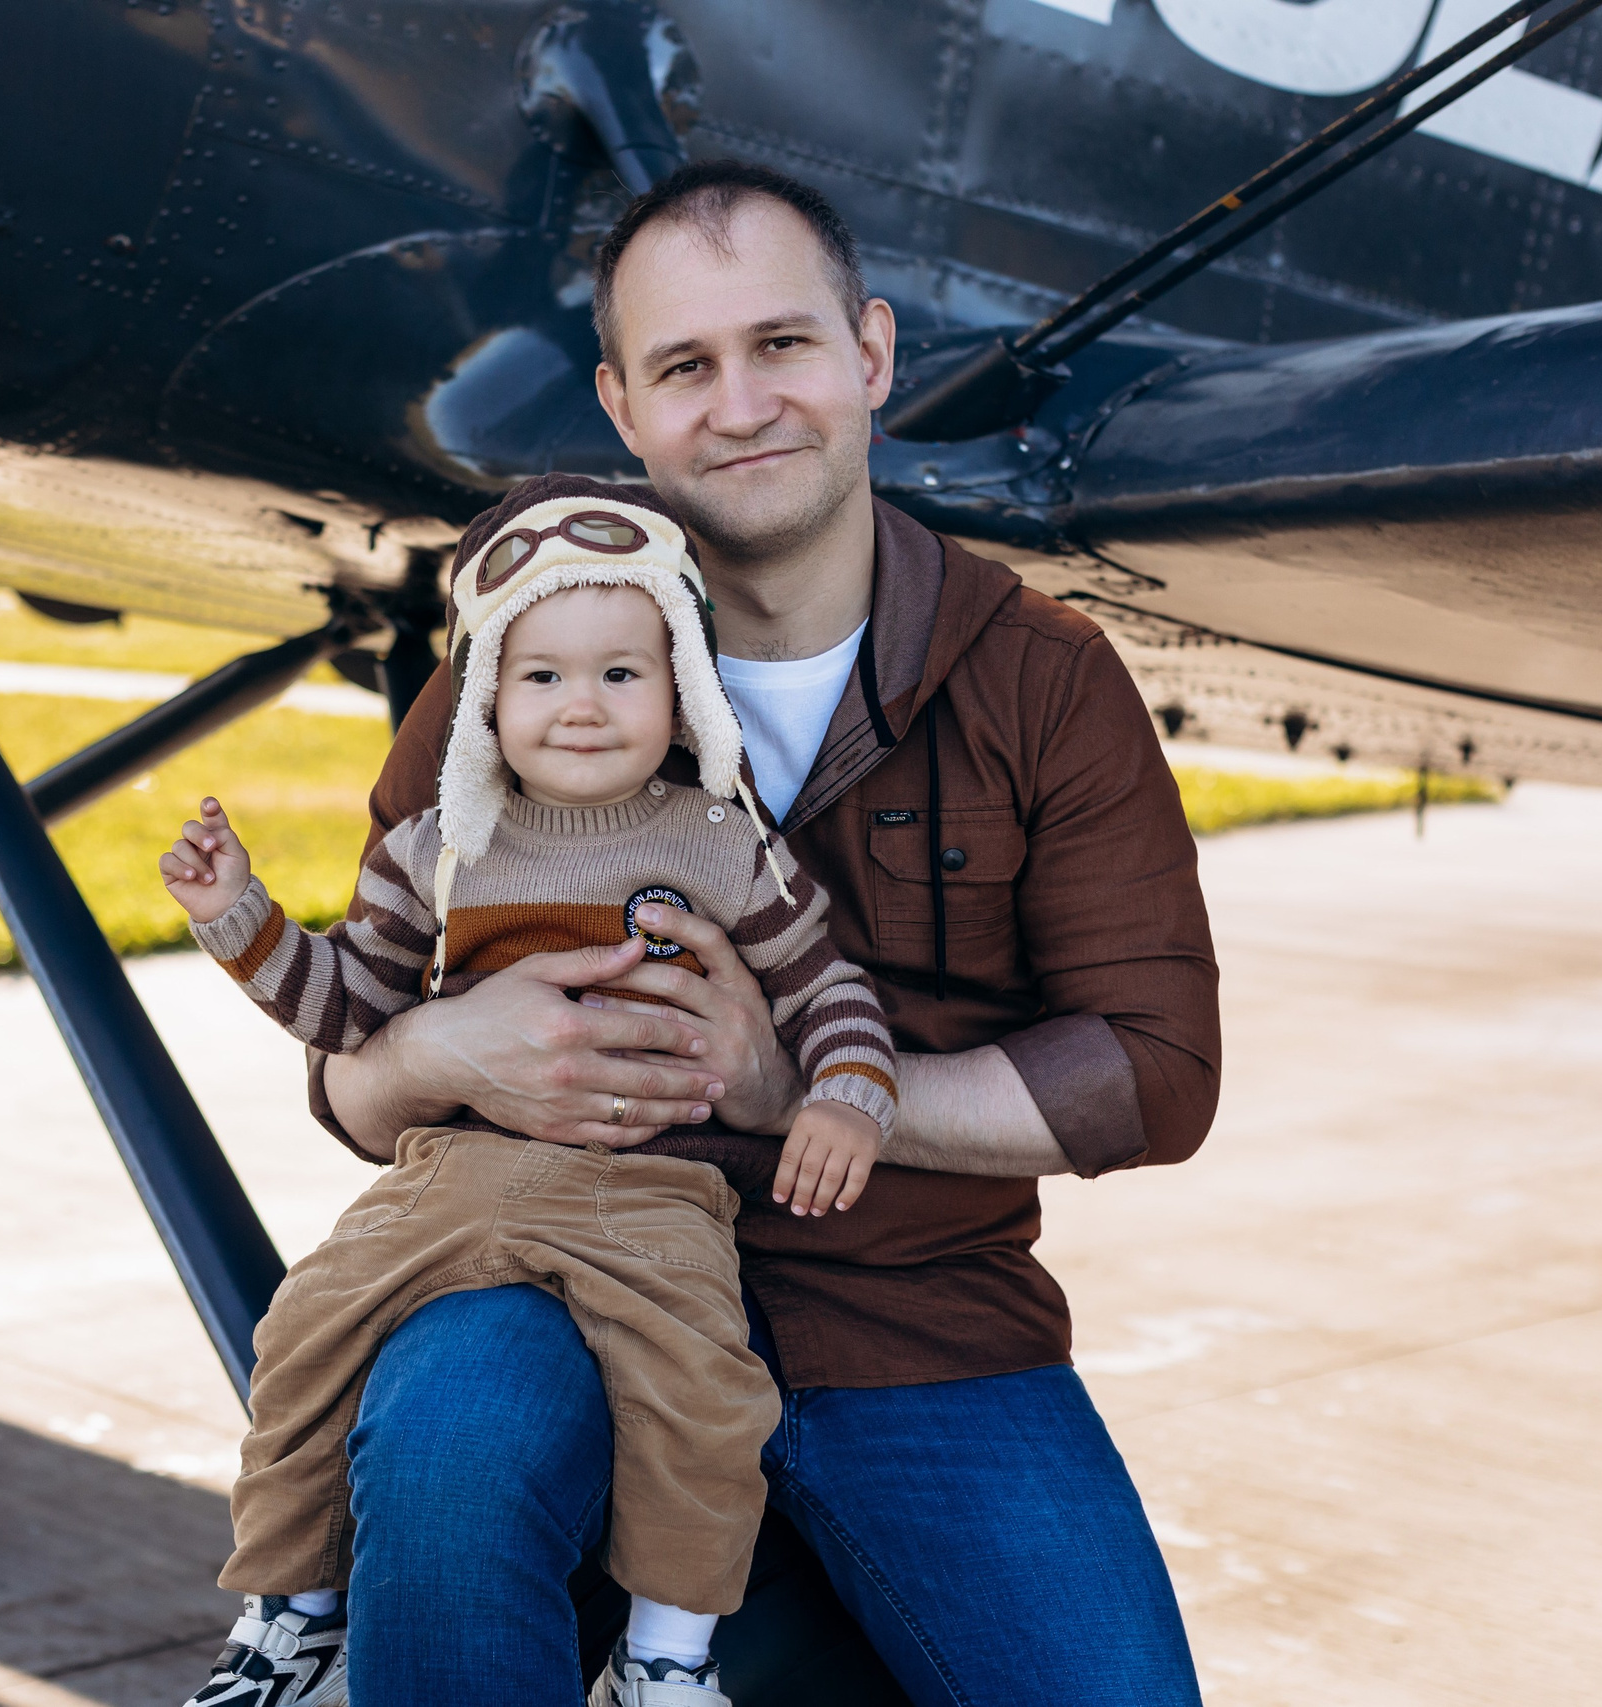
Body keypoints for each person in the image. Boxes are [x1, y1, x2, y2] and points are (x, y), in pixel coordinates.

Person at [307, 159, 1222, 1707]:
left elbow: (1157, 1075)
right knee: (448, 1472)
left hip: (912, 1308)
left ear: (871, 353)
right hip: (547, 1265)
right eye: (685, 366)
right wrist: (434, 1049)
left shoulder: (1044, 674)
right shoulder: (519, 666)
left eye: (782, 344)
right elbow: (344, 1081)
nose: (741, 406)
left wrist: (810, 1090)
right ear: (622, 407)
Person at [161, 493, 902, 1707]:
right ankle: (291, 1615)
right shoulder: (437, 850)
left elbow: (832, 992)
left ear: (683, 688)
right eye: (541, 675)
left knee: (704, 1398)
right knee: (303, 1339)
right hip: (451, 1178)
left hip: (650, 1193)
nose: (582, 705)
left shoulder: (724, 843)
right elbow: (348, 1009)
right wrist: (235, 915)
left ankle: (666, 1657)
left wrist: (847, 1097)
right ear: (486, 700)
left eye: (622, 672)